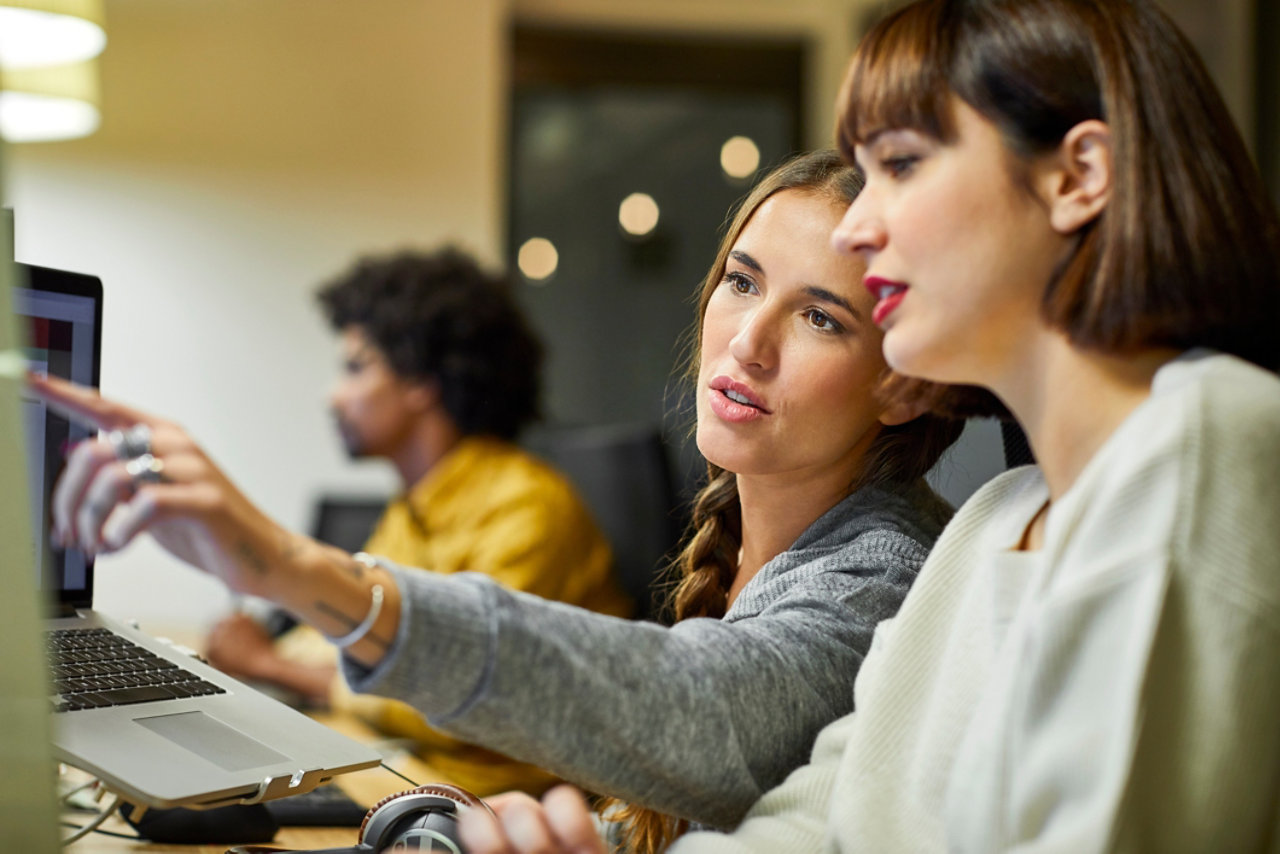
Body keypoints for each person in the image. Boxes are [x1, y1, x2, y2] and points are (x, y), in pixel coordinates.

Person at [451, 0, 1280, 851]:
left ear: (1076, 178)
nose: (857, 224)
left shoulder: (1205, 439)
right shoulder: (996, 519)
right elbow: (828, 825)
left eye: (903, 164)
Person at [32, 149, 963, 848]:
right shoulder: (766, 547)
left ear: (905, 380)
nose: (746, 343)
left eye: (819, 317)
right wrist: (435, 825)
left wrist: (287, 567)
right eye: (740, 280)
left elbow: (702, 713)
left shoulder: (888, 572)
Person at [202, 247, 633, 798]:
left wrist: (270, 665)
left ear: (420, 383)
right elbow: (344, 633)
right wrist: (246, 659)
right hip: (408, 767)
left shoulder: (529, 508)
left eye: (356, 368)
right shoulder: (415, 508)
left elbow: (458, 692)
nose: (333, 396)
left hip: (492, 801)